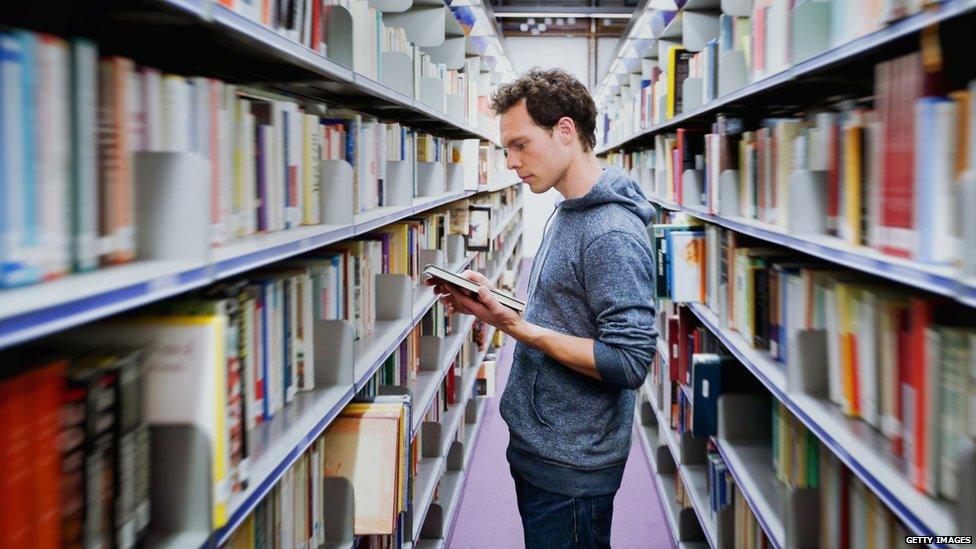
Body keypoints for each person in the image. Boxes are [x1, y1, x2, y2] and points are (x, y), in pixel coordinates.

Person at [426, 67, 657, 548]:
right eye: (506, 148)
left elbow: (629, 361)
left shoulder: (610, 233)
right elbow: (567, 315)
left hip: (573, 466)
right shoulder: (569, 208)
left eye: (520, 144)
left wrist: (518, 327)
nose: (510, 161)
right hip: (545, 446)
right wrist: (496, 307)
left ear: (565, 132)